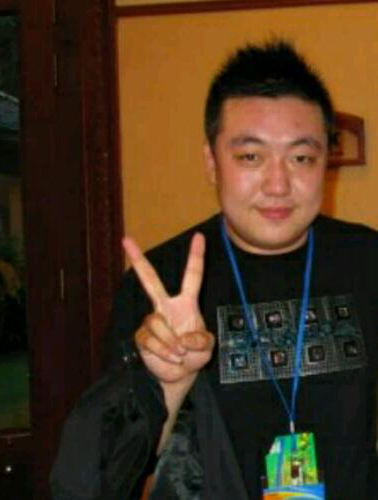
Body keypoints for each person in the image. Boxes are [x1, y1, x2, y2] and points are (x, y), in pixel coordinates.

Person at [50, 40, 378, 499]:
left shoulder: (367, 260)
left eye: (301, 158)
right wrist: (168, 385)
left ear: (326, 161)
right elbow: (106, 479)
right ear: (211, 162)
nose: (278, 184)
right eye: (251, 157)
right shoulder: (163, 282)